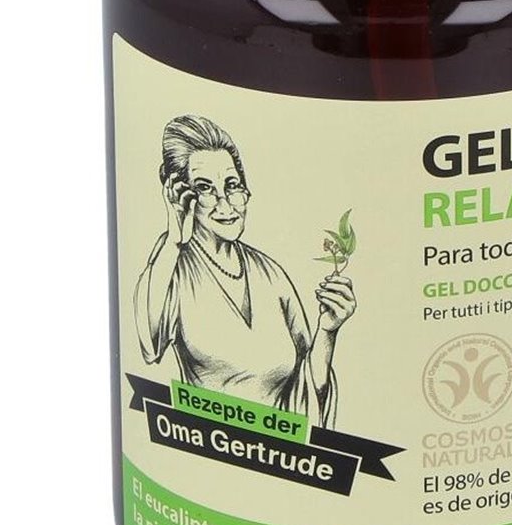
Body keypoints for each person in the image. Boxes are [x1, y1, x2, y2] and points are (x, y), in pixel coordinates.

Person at [133, 115, 355, 426]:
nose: (225, 204)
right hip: (211, 445)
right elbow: (148, 343)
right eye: (205, 188)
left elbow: (308, 384)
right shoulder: (172, 262)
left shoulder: (270, 274)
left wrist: (328, 330)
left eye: (232, 186)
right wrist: (173, 239)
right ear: (180, 195)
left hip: (285, 450)